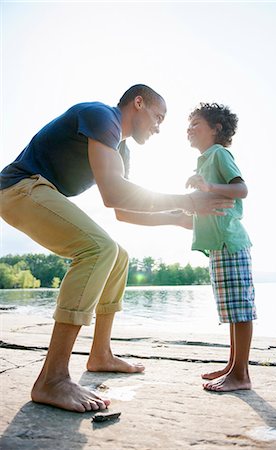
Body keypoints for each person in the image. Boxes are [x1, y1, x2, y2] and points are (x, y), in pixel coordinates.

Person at [0, 85, 234, 412]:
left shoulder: (121, 151)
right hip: (18, 187)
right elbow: (113, 193)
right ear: (138, 103)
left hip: (37, 191)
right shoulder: (102, 115)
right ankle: (51, 378)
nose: (158, 127)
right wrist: (189, 201)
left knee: (118, 255)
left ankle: (100, 354)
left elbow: (123, 211)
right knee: (98, 249)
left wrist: (179, 219)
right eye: (158, 116)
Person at [185, 102, 257, 392]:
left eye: (195, 124)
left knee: (240, 309)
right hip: (219, 245)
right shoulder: (205, 159)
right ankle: (232, 365)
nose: (189, 129)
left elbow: (242, 190)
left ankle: (241, 375)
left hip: (230, 241)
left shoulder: (219, 153)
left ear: (216, 128)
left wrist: (209, 188)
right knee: (231, 308)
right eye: (188, 125)